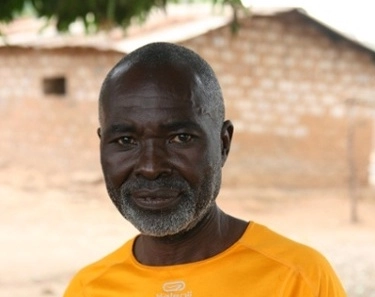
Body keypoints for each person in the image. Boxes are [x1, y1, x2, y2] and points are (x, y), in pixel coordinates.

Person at [64, 42, 346, 296]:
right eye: (125, 141)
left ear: (223, 144)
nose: (151, 167)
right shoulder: (88, 289)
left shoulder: (298, 279)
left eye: (180, 138)